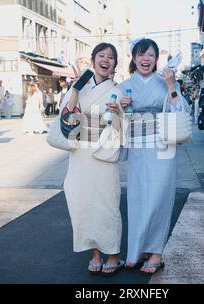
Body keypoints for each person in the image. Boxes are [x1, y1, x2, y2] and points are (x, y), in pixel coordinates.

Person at [118, 38, 190, 274]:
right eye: (141, 54)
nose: (145, 59)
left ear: (156, 59)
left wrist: (171, 87)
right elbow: (115, 120)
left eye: (150, 55)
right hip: (138, 146)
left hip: (162, 146)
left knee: (159, 197)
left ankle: (156, 252)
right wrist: (118, 106)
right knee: (137, 199)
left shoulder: (166, 82)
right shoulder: (125, 85)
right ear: (134, 58)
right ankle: (138, 249)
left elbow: (181, 112)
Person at [62, 42, 125, 276]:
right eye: (101, 55)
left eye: (111, 57)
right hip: (80, 153)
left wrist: (118, 114)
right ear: (93, 60)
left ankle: (113, 253)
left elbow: (122, 129)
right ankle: (95, 253)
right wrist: (75, 90)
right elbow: (67, 116)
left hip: (102, 152)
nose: (106, 59)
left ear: (114, 65)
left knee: (107, 204)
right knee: (83, 202)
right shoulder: (81, 88)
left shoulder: (118, 91)